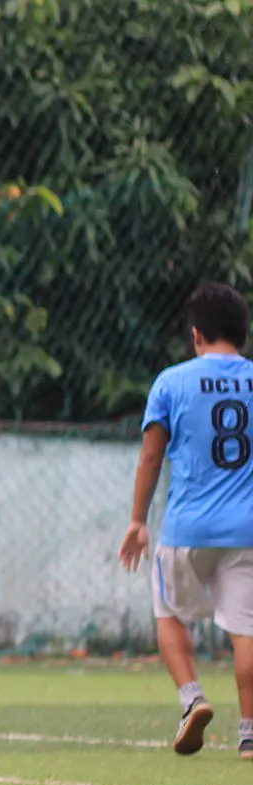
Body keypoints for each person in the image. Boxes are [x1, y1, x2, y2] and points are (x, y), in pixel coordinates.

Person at [118, 281, 253, 759]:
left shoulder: (171, 382)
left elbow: (151, 457)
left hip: (187, 527)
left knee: (169, 615)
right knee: (246, 630)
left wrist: (137, 521)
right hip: (248, 531)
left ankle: (193, 698)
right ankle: (249, 733)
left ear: (196, 335)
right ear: (244, 333)